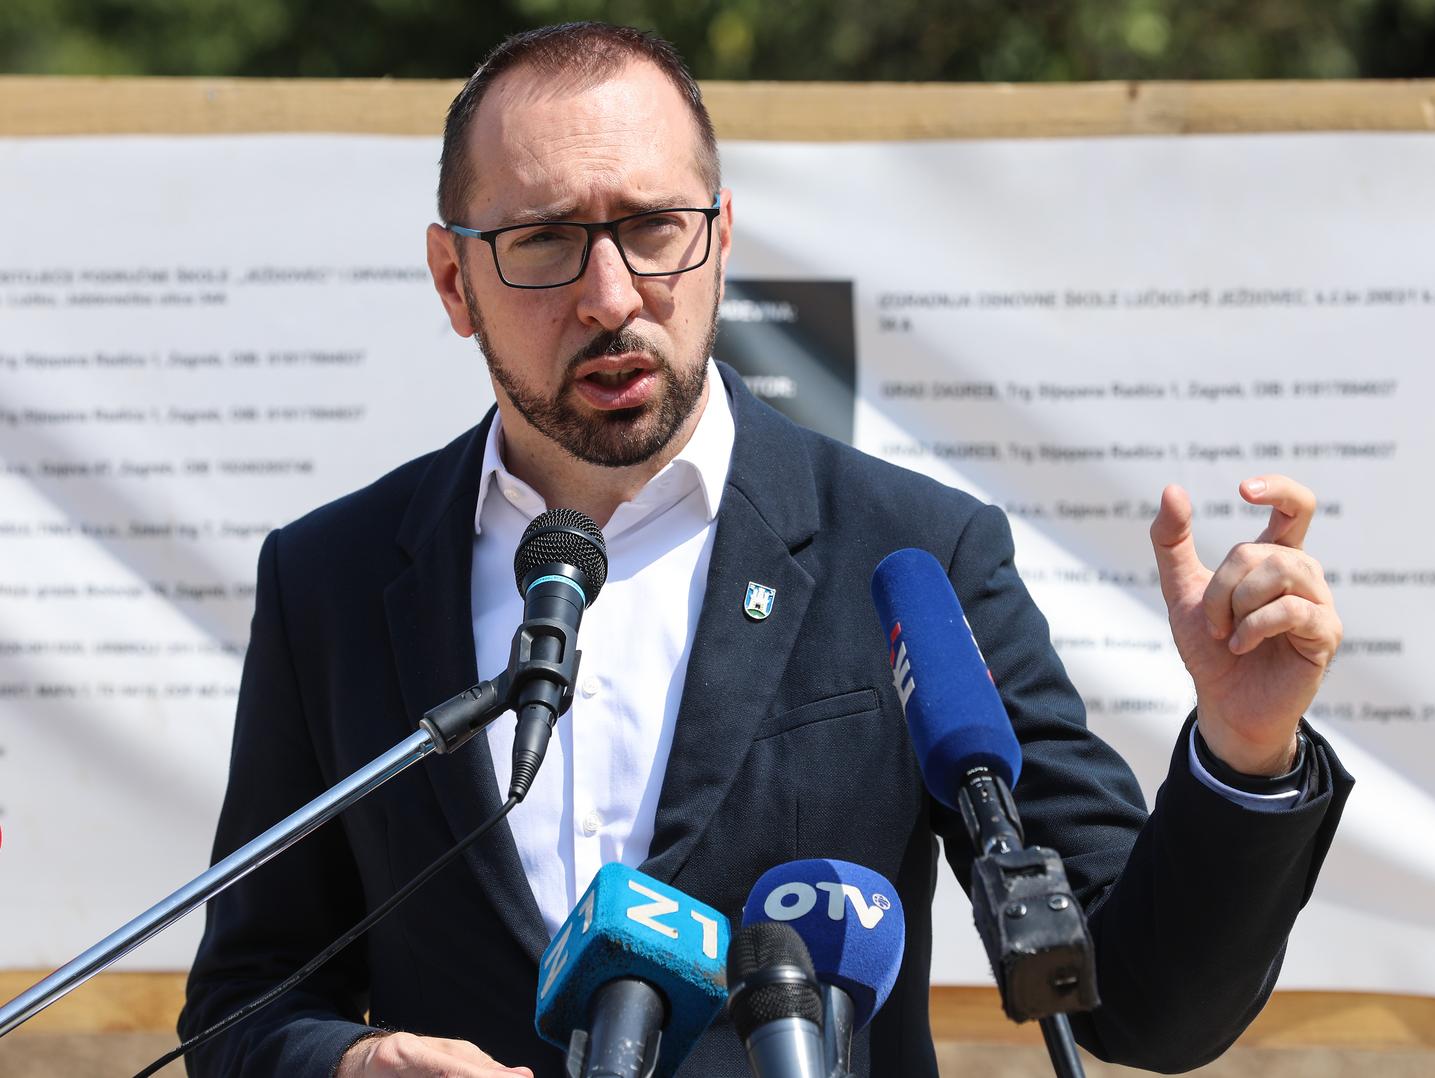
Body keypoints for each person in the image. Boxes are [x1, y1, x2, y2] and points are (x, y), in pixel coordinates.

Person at [180, 21, 1352, 1078]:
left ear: (722, 238)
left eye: (652, 229)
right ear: (454, 279)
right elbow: (246, 1001)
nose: (610, 293)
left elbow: (1137, 1004)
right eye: (543, 240)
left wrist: (1245, 751)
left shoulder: (909, 552)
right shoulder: (330, 581)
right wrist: (352, 1064)